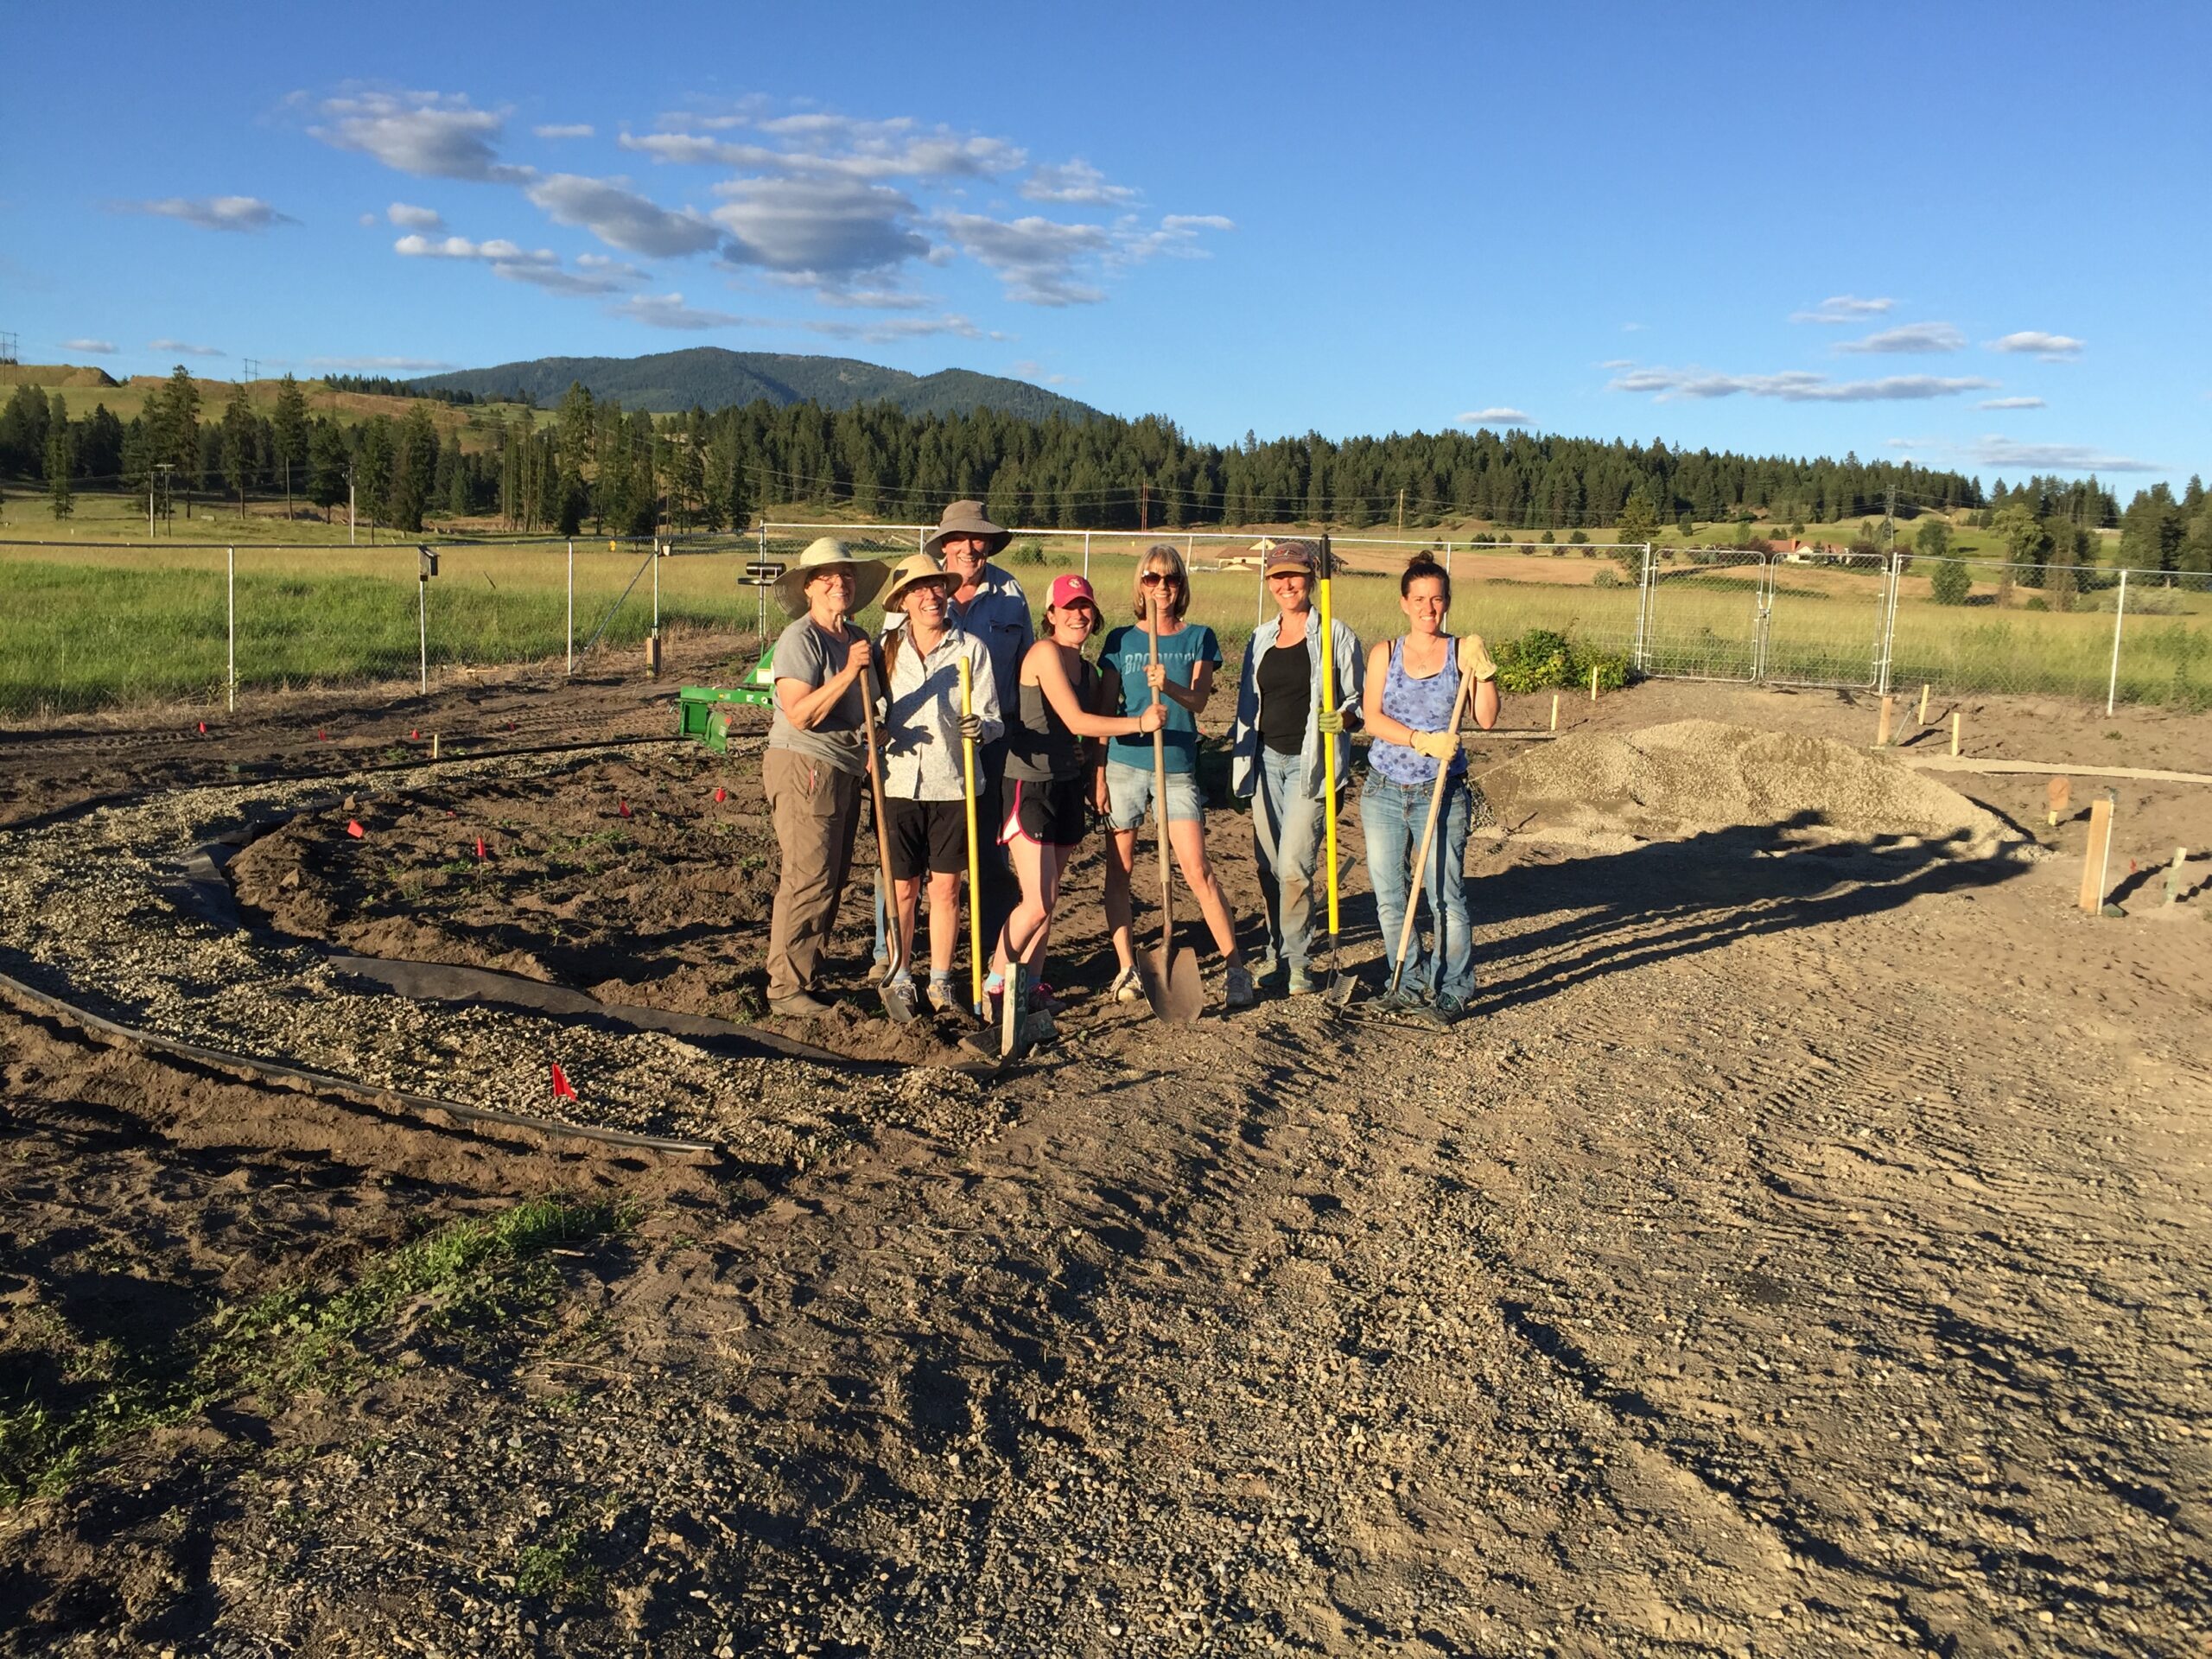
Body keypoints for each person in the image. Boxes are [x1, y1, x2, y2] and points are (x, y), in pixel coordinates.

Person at [990, 574, 1165, 1030]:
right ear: (1050, 615)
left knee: (1050, 897)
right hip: (1030, 785)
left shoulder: (1086, 670)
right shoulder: (1044, 654)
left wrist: (1097, 775)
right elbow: (1077, 720)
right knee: (1038, 900)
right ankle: (995, 983)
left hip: (1067, 784)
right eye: (1068, 607)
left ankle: (1030, 986)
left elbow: (1089, 736)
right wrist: (1141, 724)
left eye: (1085, 606)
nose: (1078, 615)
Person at [1097, 543, 1256, 1009]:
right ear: (1140, 584)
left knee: (1197, 869)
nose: (1161, 587)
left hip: (1177, 766)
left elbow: (1201, 701)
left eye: (1170, 579)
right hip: (1126, 763)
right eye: (1152, 578)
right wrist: (1100, 770)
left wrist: (1167, 685)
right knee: (1120, 871)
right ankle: (1127, 967)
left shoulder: (1199, 638)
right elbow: (1106, 712)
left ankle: (1234, 967)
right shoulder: (1120, 641)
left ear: (1181, 585)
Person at [1358, 550, 1499, 1026]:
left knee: (1445, 895)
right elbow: (1372, 719)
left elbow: (1487, 717)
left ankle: (1454, 988)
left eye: (1437, 599)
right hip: (1383, 787)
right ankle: (1408, 982)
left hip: (1440, 792)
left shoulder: (1461, 652)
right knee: (1390, 895)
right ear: (1404, 602)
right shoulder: (1385, 653)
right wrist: (1421, 739)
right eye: (1419, 599)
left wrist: (1485, 673)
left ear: (1447, 603)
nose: (1428, 608)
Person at [1228, 541, 1364, 995]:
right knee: (1268, 866)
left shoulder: (1335, 635)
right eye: (1277, 577)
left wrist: (1343, 718)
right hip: (1265, 761)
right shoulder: (1260, 637)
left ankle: (1299, 959)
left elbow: (1357, 703)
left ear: (1311, 579)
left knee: (1293, 866)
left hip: (1312, 765)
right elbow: (1248, 702)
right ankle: (1273, 953)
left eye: (1295, 576)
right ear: (1268, 583)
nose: (1286, 584)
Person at [762, 537, 891, 1018]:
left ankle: (805, 975)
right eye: (828, 577)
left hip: (845, 765)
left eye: (847, 576)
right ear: (810, 588)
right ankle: (785, 986)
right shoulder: (802, 638)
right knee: (809, 876)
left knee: (831, 878)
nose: (841, 583)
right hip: (805, 764)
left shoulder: (856, 637)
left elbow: (869, 705)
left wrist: (875, 734)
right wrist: (847, 674)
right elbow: (799, 713)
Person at [874, 551, 1002, 1020]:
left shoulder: (972, 650)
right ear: (904, 601)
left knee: (946, 890)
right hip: (899, 783)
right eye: (919, 590)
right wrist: (878, 726)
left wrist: (980, 728)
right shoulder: (884, 650)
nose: (931, 596)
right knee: (903, 889)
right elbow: (870, 710)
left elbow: (993, 718)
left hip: (955, 783)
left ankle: (942, 981)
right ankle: (901, 975)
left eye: (936, 587)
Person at [925, 501, 1033, 963]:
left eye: (979, 540)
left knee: (992, 852)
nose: (971, 549)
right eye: (961, 540)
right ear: (945, 545)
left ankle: (994, 954)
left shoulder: (1010, 590)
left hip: (995, 739)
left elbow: (1028, 664)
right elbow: (890, 661)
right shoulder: (919, 586)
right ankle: (892, 951)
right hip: (929, 743)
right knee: (917, 856)